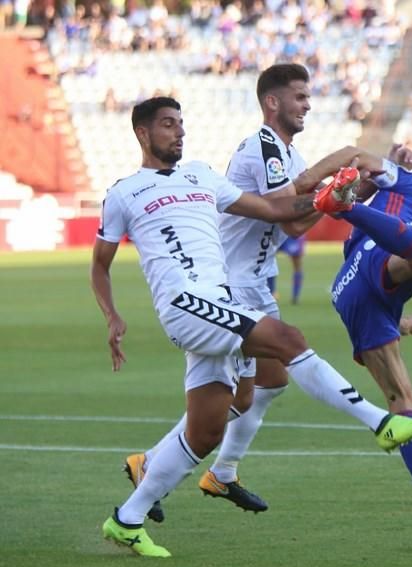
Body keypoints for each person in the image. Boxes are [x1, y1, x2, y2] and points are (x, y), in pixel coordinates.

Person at [91, 96, 412, 557]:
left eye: (180, 123)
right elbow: (100, 264)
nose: (179, 132)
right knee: (288, 340)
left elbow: (274, 210)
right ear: (143, 134)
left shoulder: (202, 175)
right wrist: (112, 315)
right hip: (185, 304)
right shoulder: (124, 192)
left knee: (207, 429)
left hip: (220, 298)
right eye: (168, 125)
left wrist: (328, 196)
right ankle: (379, 423)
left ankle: (127, 519)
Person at [123, 64, 388, 522]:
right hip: (231, 283)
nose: (307, 104)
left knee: (264, 385)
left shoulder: (289, 155)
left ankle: (208, 470)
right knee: (259, 376)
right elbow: (284, 206)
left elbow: (298, 220)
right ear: (273, 102)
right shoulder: (261, 146)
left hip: (256, 278)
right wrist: (344, 157)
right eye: (300, 97)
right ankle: (190, 469)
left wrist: (351, 188)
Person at [316, 149, 412, 550]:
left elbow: (376, 293)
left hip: (358, 297)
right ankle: (341, 206)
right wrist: (391, 157)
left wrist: (399, 321)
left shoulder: (411, 240)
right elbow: (365, 157)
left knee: (404, 406)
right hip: (367, 266)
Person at [267, 234, 306, 305]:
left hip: (292, 232)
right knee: (268, 259)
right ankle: (272, 292)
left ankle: (295, 297)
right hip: (276, 231)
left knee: (297, 263)